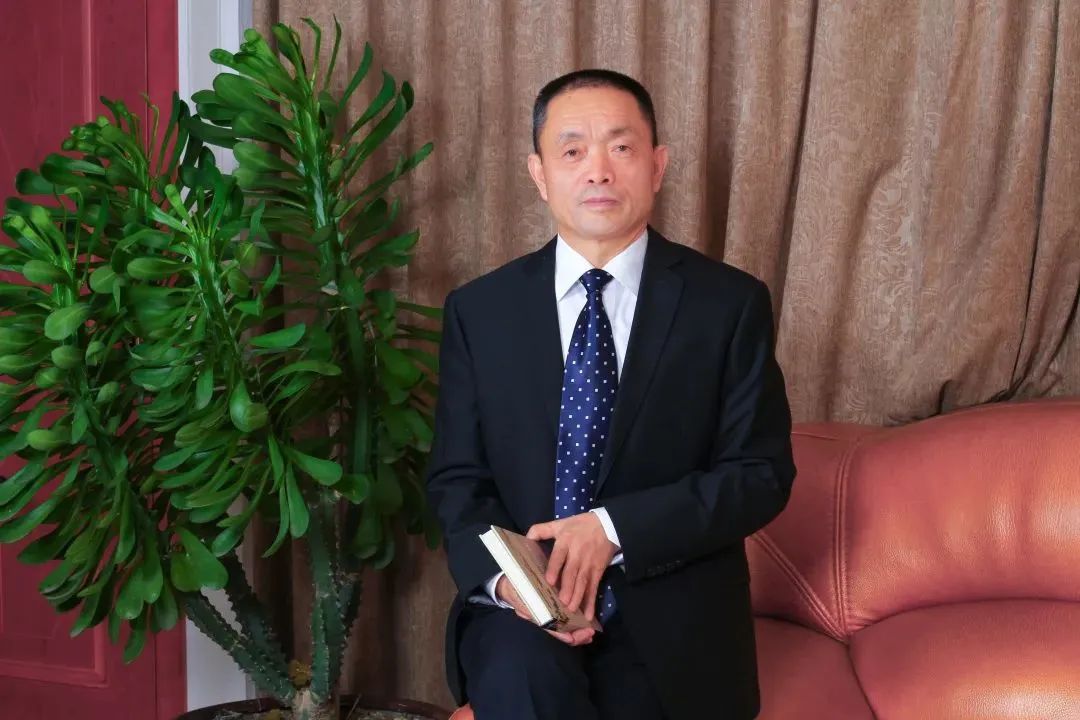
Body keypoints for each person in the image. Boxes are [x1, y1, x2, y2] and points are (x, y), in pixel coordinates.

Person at [426, 68, 796, 720]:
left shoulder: (728, 305)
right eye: (572, 151)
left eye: (621, 148)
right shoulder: (480, 311)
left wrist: (614, 530)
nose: (598, 170)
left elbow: (759, 475)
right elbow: (458, 480)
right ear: (539, 174)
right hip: (521, 617)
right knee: (521, 676)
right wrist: (513, 585)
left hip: (673, 616)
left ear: (657, 166)